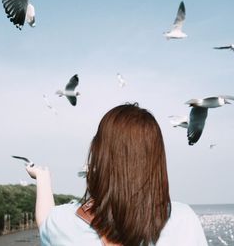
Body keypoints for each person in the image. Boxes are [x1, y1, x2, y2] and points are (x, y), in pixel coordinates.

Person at [26, 103, 208, 246]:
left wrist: (43, 178)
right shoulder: (184, 220)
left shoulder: (63, 223)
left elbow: (47, 224)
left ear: (99, 155)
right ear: (156, 159)